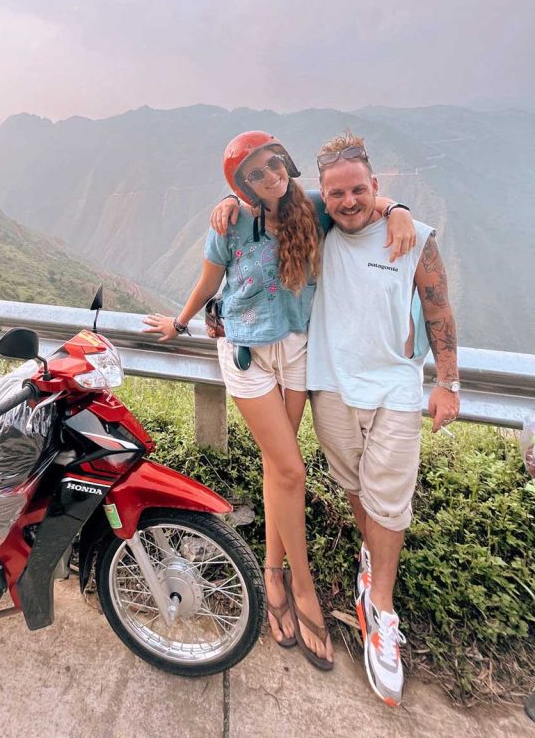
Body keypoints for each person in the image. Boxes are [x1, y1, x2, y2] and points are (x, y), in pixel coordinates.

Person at [143, 131, 416, 672]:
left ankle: (271, 575)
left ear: (286, 162)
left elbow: (359, 198)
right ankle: (303, 587)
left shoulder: (313, 207)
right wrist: (178, 321)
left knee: (279, 470)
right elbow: (208, 280)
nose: (269, 177)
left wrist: (399, 209)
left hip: (297, 351)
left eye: (273, 165)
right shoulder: (231, 221)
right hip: (247, 356)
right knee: (291, 470)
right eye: (254, 175)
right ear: (240, 185)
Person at [304, 131, 459, 707]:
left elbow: (440, 308)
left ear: (376, 185)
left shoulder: (412, 235)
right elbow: (268, 208)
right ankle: (371, 560)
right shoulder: (316, 228)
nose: (349, 202)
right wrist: (228, 203)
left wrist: (447, 382)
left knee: (389, 499)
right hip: (332, 385)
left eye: (360, 190)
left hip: (395, 386)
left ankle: (382, 612)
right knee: (356, 488)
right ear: (323, 195)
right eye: (336, 193)